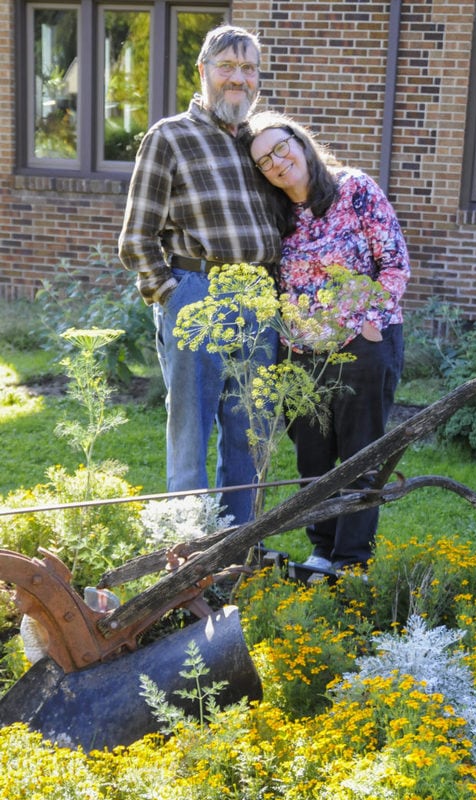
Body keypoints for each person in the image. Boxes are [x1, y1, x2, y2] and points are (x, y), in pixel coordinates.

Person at [118, 25, 281, 524]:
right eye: (227, 67)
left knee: (250, 434)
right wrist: (171, 295)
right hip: (198, 293)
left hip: (259, 297)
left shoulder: (258, 144)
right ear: (203, 72)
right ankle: (186, 554)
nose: (239, 78)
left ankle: (236, 548)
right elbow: (135, 238)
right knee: (190, 433)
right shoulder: (169, 137)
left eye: (248, 68)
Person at [245, 111, 411, 571]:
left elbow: (394, 263)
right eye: (264, 162)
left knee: (361, 455)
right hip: (301, 356)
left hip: (364, 346)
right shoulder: (276, 217)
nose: (277, 163)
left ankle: (353, 559)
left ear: (300, 143)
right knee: (313, 457)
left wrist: (369, 325)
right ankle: (322, 550)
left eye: (281, 148)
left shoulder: (354, 189)